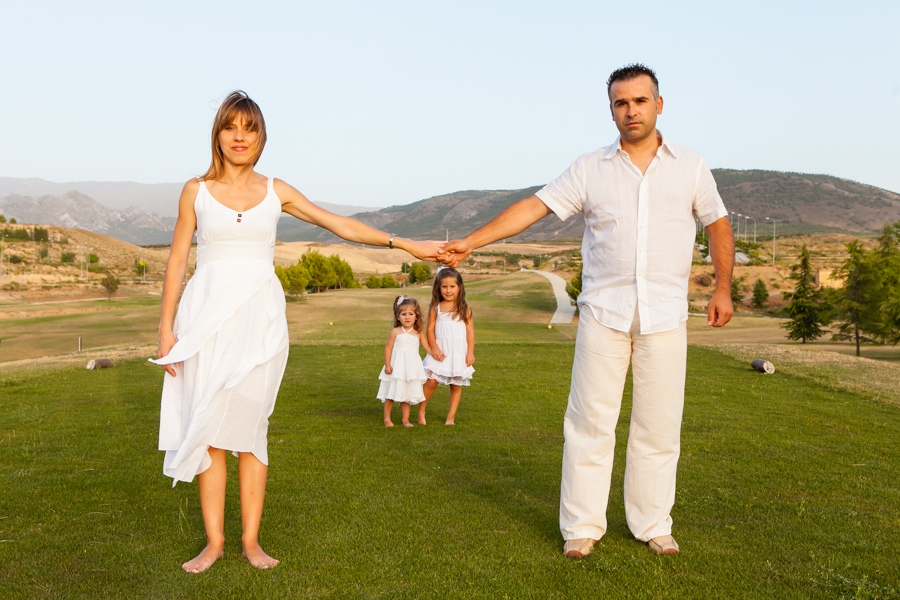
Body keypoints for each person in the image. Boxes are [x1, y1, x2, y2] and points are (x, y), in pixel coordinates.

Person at [441, 64, 734, 557]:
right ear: (612, 110)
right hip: (603, 313)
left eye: (640, 101)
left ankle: (653, 524)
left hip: (665, 315)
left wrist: (722, 288)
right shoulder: (589, 168)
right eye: (621, 103)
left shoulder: (691, 165)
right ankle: (581, 528)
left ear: (659, 105)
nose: (631, 110)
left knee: (658, 426)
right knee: (589, 423)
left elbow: (718, 225)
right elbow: (533, 208)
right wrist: (471, 241)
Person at [151, 91, 443, 574]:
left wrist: (406, 243)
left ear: (262, 137)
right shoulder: (194, 191)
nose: (240, 137)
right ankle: (213, 543)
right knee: (208, 430)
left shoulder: (276, 190)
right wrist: (165, 329)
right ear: (218, 134)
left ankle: (250, 541)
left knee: (251, 431)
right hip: (204, 320)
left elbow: (339, 224)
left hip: (260, 321)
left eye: (250, 128)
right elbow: (178, 259)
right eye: (231, 127)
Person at [419, 267, 475, 426]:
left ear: (459, 288)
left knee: (456, 385)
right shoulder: (435, 308)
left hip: (458, 352)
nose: (448, 290)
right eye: (444, 286)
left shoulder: (465, 309)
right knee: (431, 381)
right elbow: (429, 330)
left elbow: (470, 332)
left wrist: (470, 353)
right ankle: (421, 410)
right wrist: (434, 348)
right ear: (439, 287)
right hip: (440, 351)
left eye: (452, 286)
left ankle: (451, 417)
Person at [377, 295, 434, 427]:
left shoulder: (418, 332)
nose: (407, 317)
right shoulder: (395, 332)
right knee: (391, 393)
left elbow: (427, 348)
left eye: (410, 314)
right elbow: (388, 348)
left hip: (410, 368)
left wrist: (435, 354)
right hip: (396, 367)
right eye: (403, 314)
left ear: (416, 316)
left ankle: (405, 420)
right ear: (398, 316)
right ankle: (387, 418)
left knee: (406, 394)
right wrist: (387, 365)